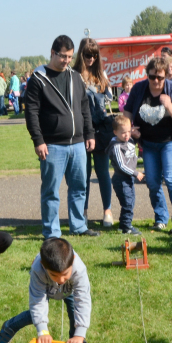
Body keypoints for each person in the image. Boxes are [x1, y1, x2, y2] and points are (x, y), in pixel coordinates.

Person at [24, 35, 99, 239]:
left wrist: (89, 133)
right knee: (51, 192)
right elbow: (31, 112)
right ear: (52, 53)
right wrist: (38, 140)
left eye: (70, 57)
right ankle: (52, 232)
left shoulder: (75, 76)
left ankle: (78, 226)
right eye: (63, 56)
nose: (66, 60)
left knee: (79, 188)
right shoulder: (38, 79)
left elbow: (84, 107)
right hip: (52, 145)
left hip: (78, 144)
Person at [123, 57, 172, 234]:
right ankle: (160, 218)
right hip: (149, 143)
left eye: (160, 77)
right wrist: (130, 129)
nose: (156, 81)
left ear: (166, 75)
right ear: (147, 75)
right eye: (152, 77)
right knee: (152, 182)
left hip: (170, 142)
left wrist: (169, 105)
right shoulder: (138, 89)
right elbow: (128, 111)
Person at [0, 238, 90, 343]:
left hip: (70, 290)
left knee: (75, 311)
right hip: (46, 288)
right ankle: (9, 327)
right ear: (43, 266)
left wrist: (79, 334)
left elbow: (83, 300)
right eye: (54, 275)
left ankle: (75, 339)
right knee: (34, 315)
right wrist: (43, 331)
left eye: (65, 274)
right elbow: (37, 302)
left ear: (73, 260)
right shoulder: (38, 269)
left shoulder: (79, 269)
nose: (61, 280)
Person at [73, 38, 114, 227]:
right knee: (84, 174)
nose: (91, 58)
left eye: (94, 55)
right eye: (88, 54)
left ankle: (107, 210)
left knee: (103, 172)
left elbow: (109, 102)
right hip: (80, 131)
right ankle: (84, 211)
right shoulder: (73, 75)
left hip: (101, 130)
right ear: (81, 54)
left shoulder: (101, 75)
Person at [107, 115, 144, 235]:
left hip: (128, 178)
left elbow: (132, 148)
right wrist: (135, 173)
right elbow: (121, 165)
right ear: (115, 132)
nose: (127, 135)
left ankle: (123, 224)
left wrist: (136, 136)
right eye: (123, 133)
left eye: (129, 131)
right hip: (121, 179)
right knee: (127, 202)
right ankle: (127, 227)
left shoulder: (129, 140)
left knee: (131, 201)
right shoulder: (117, 147)